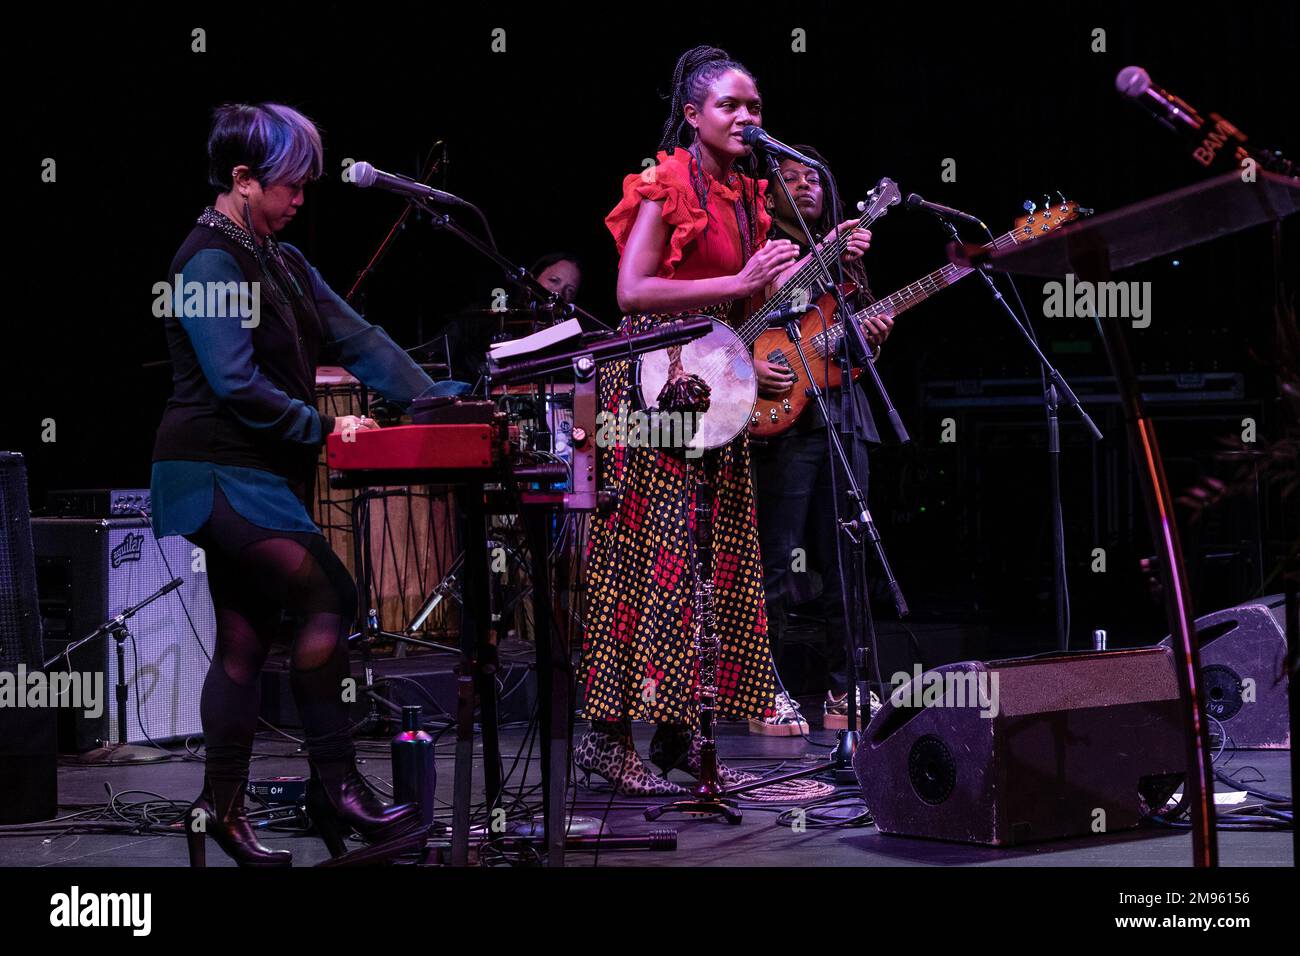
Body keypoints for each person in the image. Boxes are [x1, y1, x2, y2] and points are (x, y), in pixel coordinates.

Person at [150, 102, 437, 866]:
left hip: (259, 471)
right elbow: (235, 383)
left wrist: (440, 401)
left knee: (244, 641)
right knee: (328, 595)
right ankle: (335, 787)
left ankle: (219, 810)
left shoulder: (281, 258)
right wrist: (326, 430)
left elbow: (360, 339)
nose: (300, 199)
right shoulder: (207, 260)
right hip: (212, 467)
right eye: (289, 185)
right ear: (243, 180)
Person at [577, 46, 869, 794]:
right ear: (693, 115)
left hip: (714, 394)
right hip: (650, 396)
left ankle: (686, 739)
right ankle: (608, 737)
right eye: (731, 106)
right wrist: (741, 281)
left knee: (718, 567)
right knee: (657, 564)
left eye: (756, 107)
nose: (747, 118)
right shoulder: (663, 182)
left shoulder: (748, 198)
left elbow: (739, 310)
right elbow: (632, 290)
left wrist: (801, 283)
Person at [748, 148, 894, 735]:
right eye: (791, 177)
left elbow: (849, 346)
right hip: (778, 419)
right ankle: (767, 693)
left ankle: (849, 690)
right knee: (774, 562)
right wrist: (823, 253)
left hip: (839, 412)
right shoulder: (761, 242)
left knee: (849, 560)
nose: (805, 185)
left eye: (814, 177)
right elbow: (758, 315)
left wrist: (873, 337)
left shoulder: (847, 263)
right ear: (769, 190)